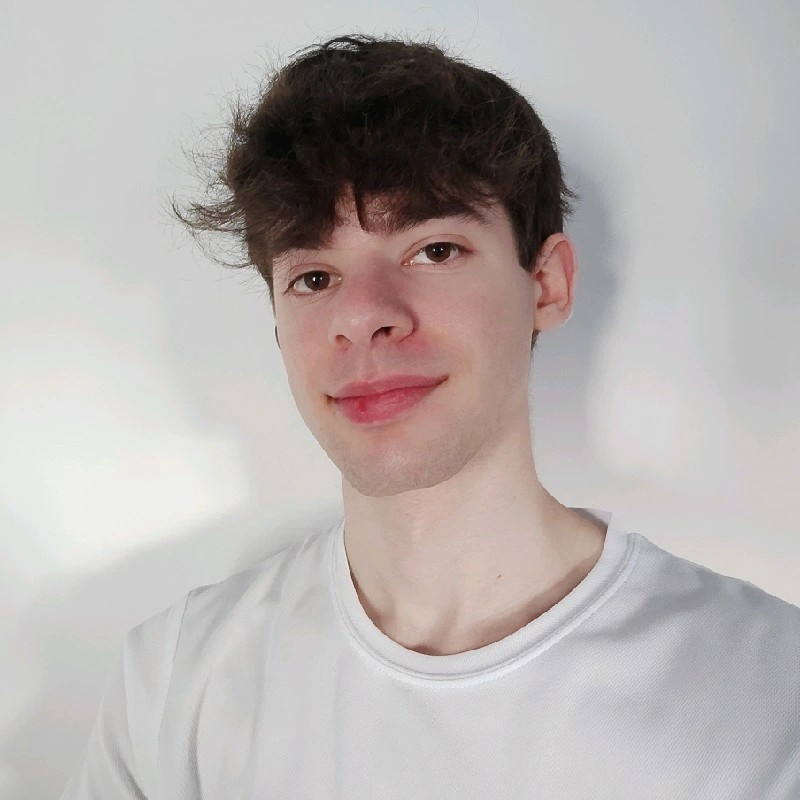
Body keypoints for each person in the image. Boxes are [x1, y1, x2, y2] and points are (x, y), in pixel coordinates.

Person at [60, 33, 799, 799]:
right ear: (279, 329)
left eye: (433, 250)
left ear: (546, 285)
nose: (363, 316)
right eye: (314, 277)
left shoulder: (769, 690)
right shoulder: (175, 681)